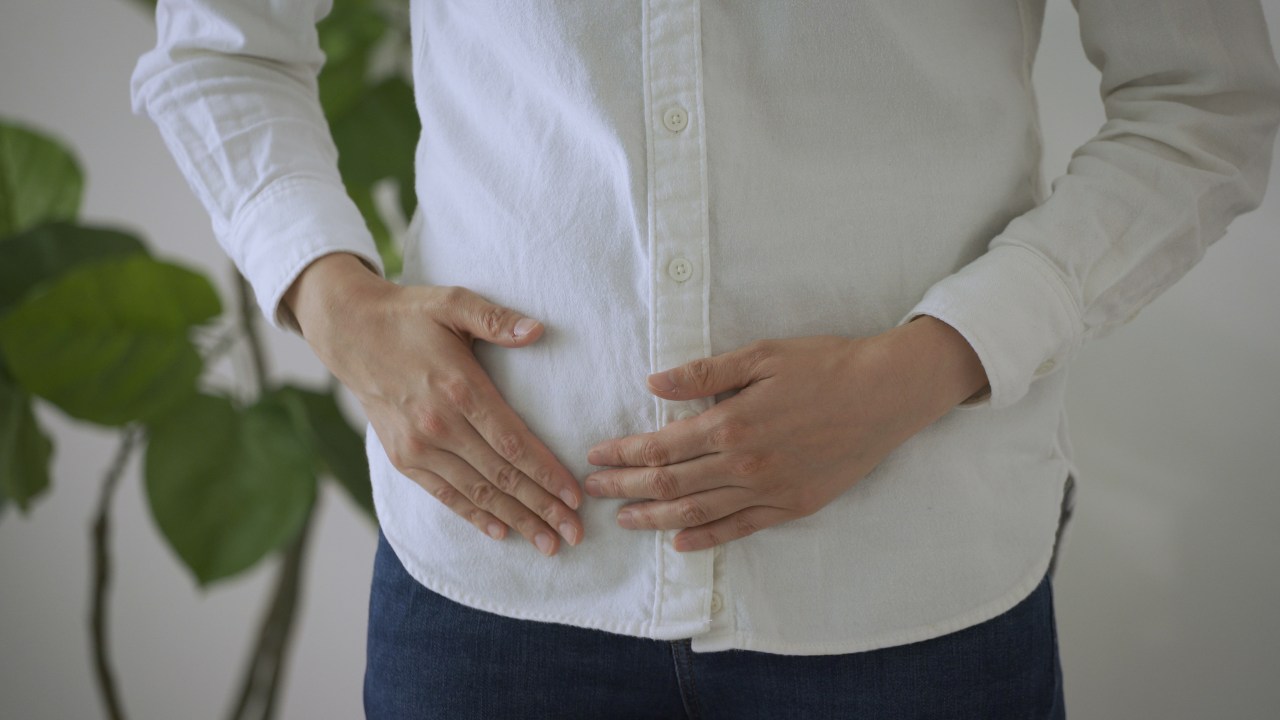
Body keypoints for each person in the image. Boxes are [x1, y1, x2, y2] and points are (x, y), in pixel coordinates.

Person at [132, 1, 1280, 717]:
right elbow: (220, 47)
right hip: (491, 602)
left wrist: (930, 362)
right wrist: (336, 302)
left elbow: (1201, 105)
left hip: (907, 593)